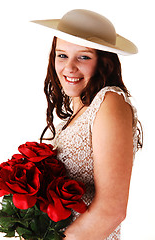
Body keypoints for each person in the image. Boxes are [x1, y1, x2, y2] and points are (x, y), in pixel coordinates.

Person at [32, 9, 143, 240]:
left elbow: (112, 210)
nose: (69, 67)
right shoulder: (78, 110)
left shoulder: (110, 102)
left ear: (104, 61)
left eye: (83, 57)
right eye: (62, 55)